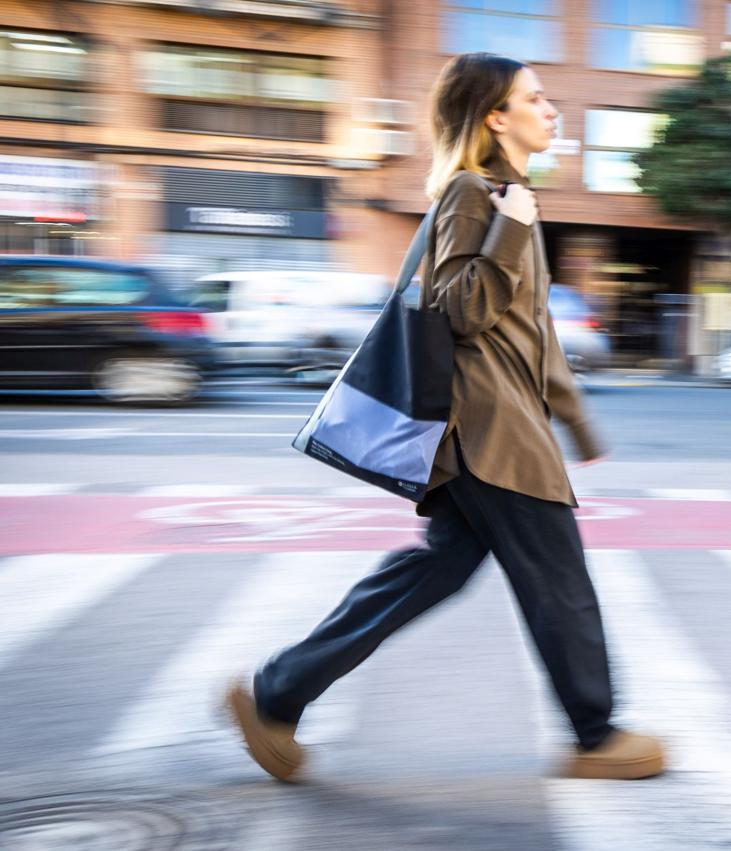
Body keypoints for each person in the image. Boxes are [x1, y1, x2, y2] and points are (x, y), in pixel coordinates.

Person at [225, 52, 666, 783]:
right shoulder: (475, 194)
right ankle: (597, 734)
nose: (551, 109)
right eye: (536, 97)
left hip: (496, 427)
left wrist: (579, 425)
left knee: (433, 570)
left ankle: (277, 696)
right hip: (489, 431)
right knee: (559, 580)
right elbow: (459, 308)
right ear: (496, 116)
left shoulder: (513, 198)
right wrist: (509, 228)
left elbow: (535, 335)